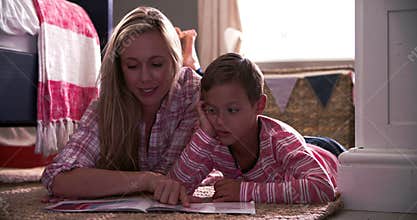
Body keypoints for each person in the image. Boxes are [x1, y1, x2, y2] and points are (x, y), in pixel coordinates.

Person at [41, 6, 201, 206]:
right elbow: (58, 177)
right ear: (119, 69)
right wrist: (146, 180)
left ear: (174, 60)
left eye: (157, 64)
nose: (144, 78)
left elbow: (183, 177)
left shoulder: (193, 92)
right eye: (132, 66)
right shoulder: (107, 103)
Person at [168, 53, 339, 203]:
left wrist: (244, 191)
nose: (219, 121)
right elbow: (174, 187)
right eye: (212, 110)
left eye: (232, 110)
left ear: (259, 105)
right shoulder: (214, 139)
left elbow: (322, 188)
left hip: (327, 154)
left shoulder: (280, 140)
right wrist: (204, 135)